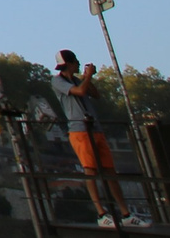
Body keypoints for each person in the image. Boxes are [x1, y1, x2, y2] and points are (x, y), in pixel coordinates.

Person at [55, 49, 147, 228]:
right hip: (80, 131)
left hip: (95, 129)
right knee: (90, 171)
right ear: (70, 64)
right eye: (76, 61)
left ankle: (126, 214)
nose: (79, 64)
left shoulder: (77, 80)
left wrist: (87, 78)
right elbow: (79, 92)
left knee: (110, 171)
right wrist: (88, 77)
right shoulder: (58, 81)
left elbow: (95, 94)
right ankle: (101, 214)